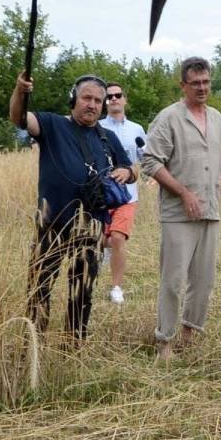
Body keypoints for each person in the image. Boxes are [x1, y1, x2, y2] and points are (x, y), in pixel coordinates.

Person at [140, 56, 221, 359]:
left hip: (210, 211)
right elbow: (150, 162)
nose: (202, 87)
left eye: (206, 82)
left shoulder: (217, 120)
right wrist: (183, 192)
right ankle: (165, 342)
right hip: (178, 215)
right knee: (172, 280)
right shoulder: (169, 118)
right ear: (183, 85)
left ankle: (189, 334)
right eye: (195, 82)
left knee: (203, 281)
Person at [10, 72, 133, 343]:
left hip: (91, 226)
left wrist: (126, 173)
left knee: (82, 291)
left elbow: (130, 168)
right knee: (39, 287)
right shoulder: (52, 124)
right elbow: (19, 118)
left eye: (98, 101)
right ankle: (34, 344)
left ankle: (74, 345)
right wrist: (20, 92)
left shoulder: (107, 137)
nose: (92, 104)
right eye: (87, 98)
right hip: (52, 224)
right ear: (73, 99)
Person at [99, 82, 146, 305]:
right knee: (100, 240)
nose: (114, 99)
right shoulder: (95, 127)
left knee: (117, 238)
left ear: (125, 99)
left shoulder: (136, 129)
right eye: (109, 97)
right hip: (101, 195)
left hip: (127, 195)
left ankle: (116, 288)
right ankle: (104, 252)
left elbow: (144, 157)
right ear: (104, 102)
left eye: (118, 95)